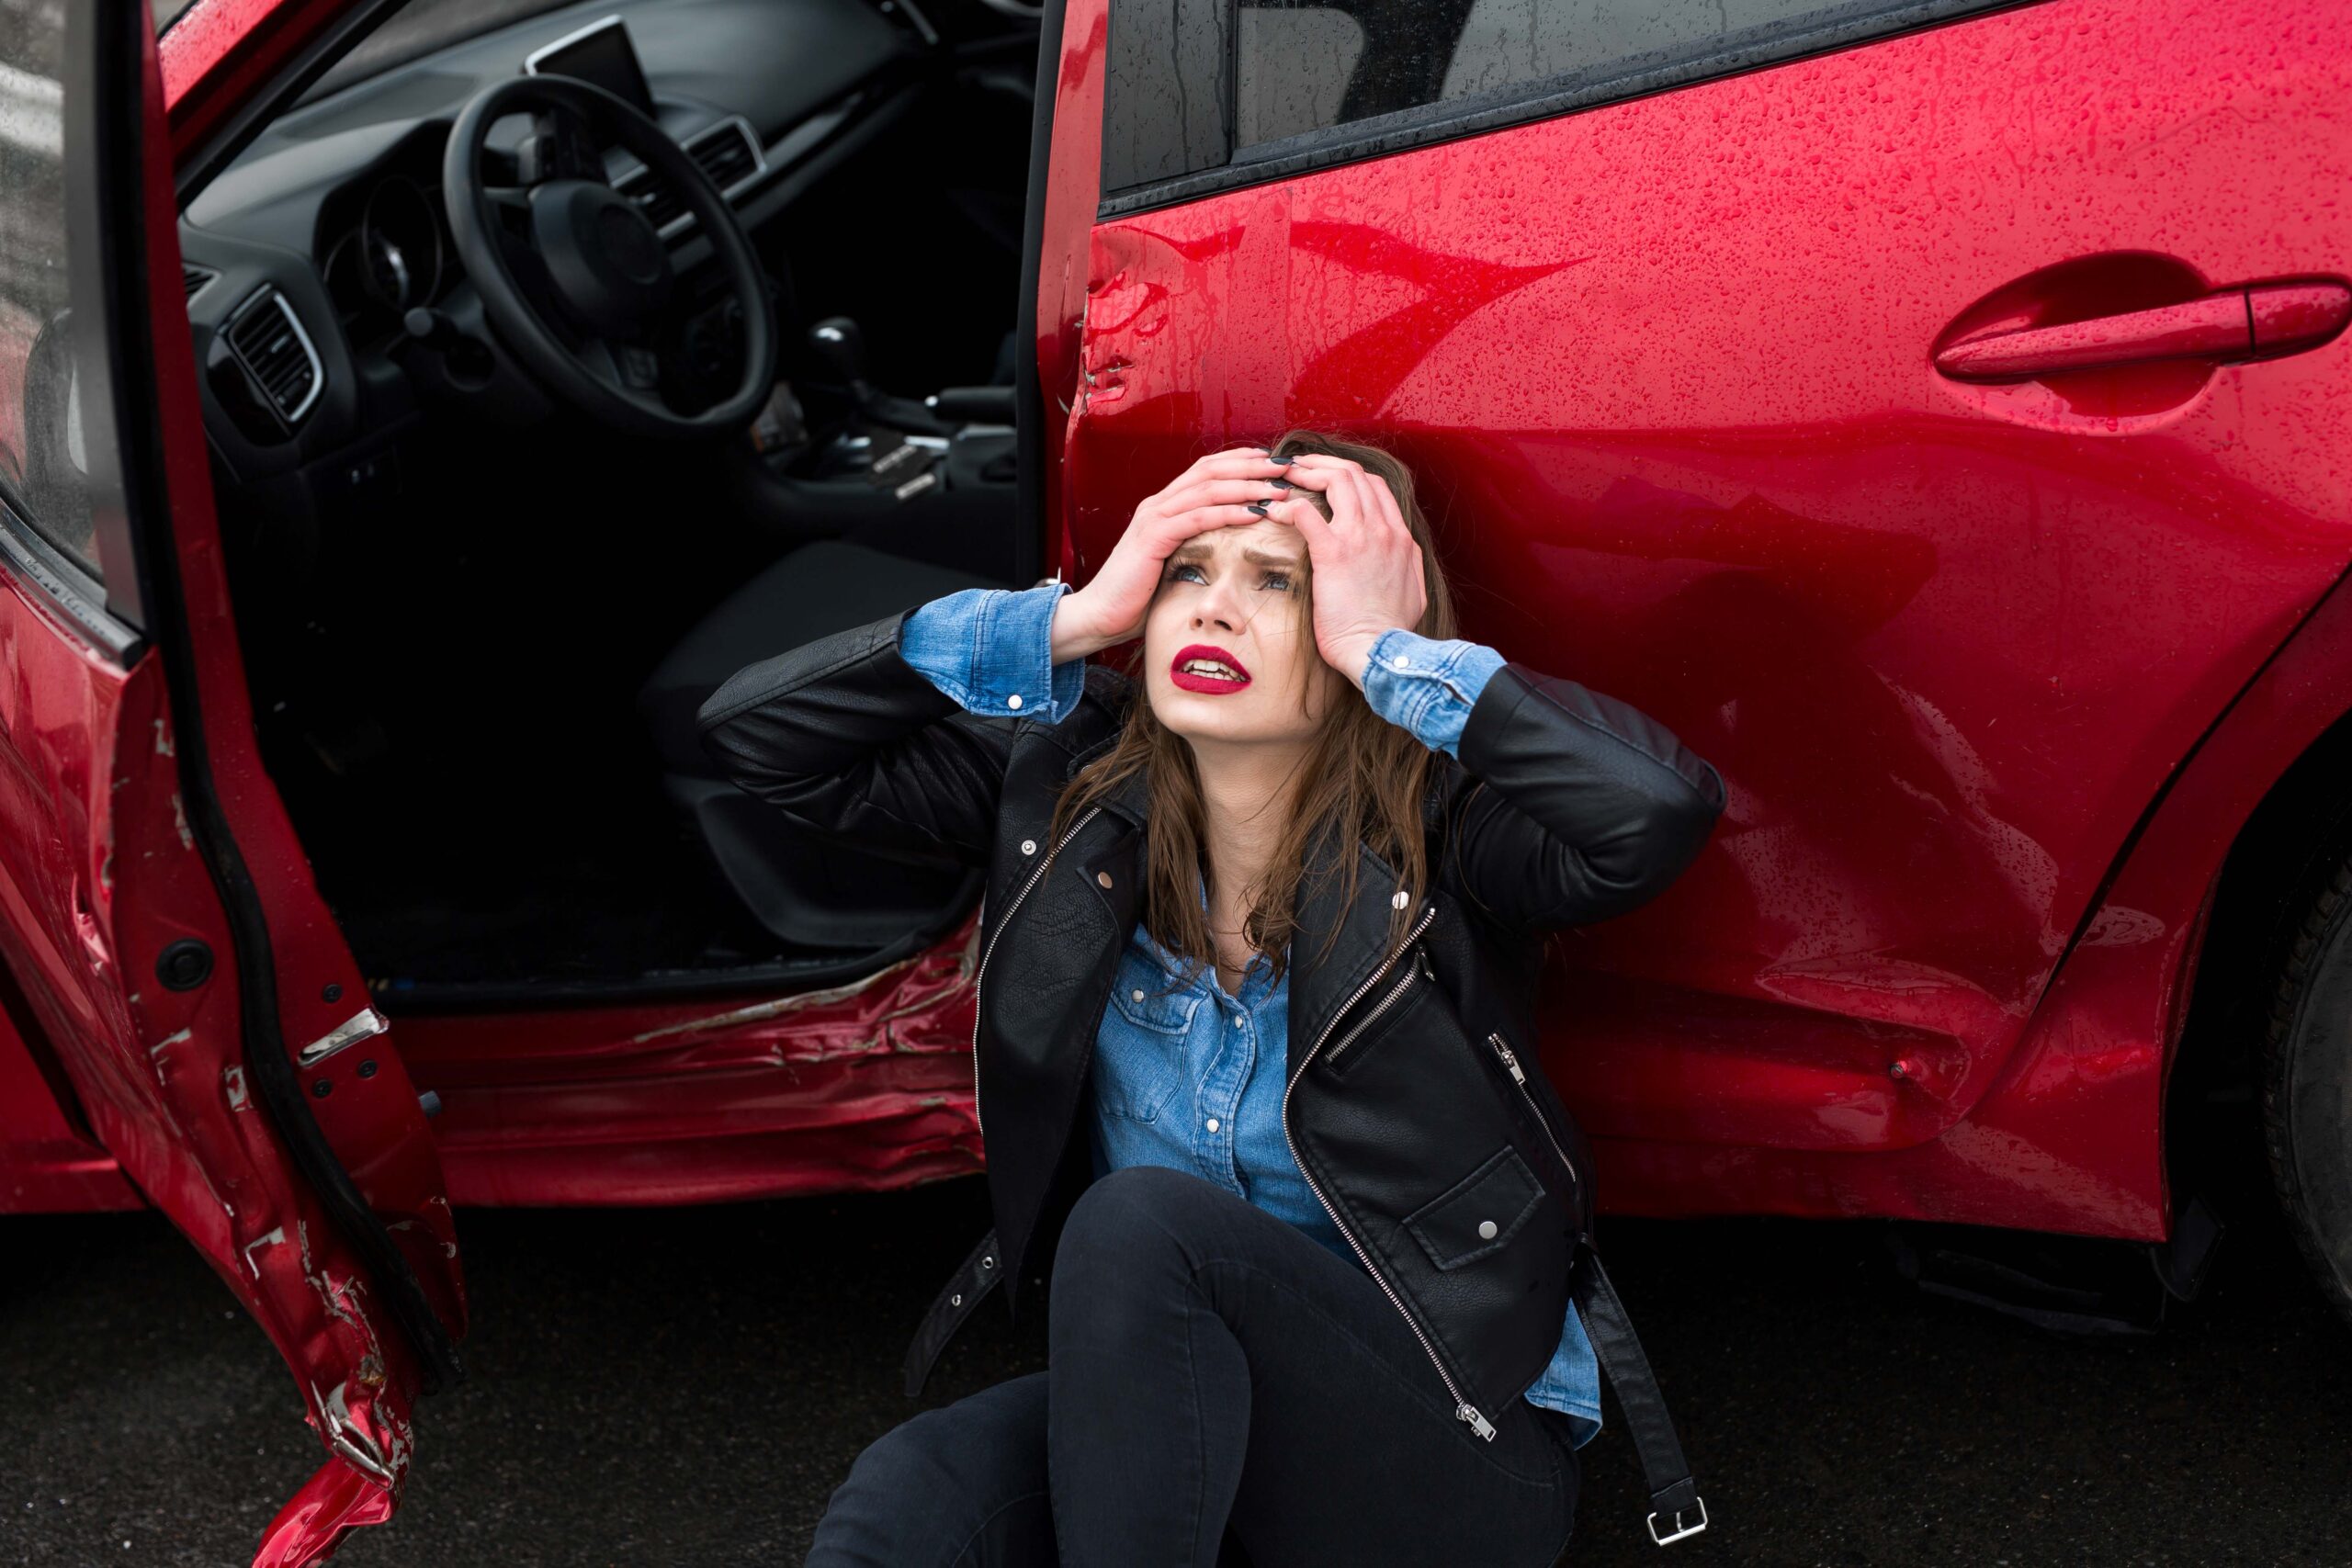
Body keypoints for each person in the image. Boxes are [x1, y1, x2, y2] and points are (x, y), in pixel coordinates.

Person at [697, 430, 1727, 1566]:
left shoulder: (1445, 831)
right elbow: (757, 740)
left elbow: (1655, 814)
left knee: (1143, 1228)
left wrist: (1385, 648)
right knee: (913, 1491)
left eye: (1277, 582)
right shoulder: (1068, 793)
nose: (1213, 611)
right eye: (1188, 571)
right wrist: (1070, 621)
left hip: (1449, 1442)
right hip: (1187, 1408)